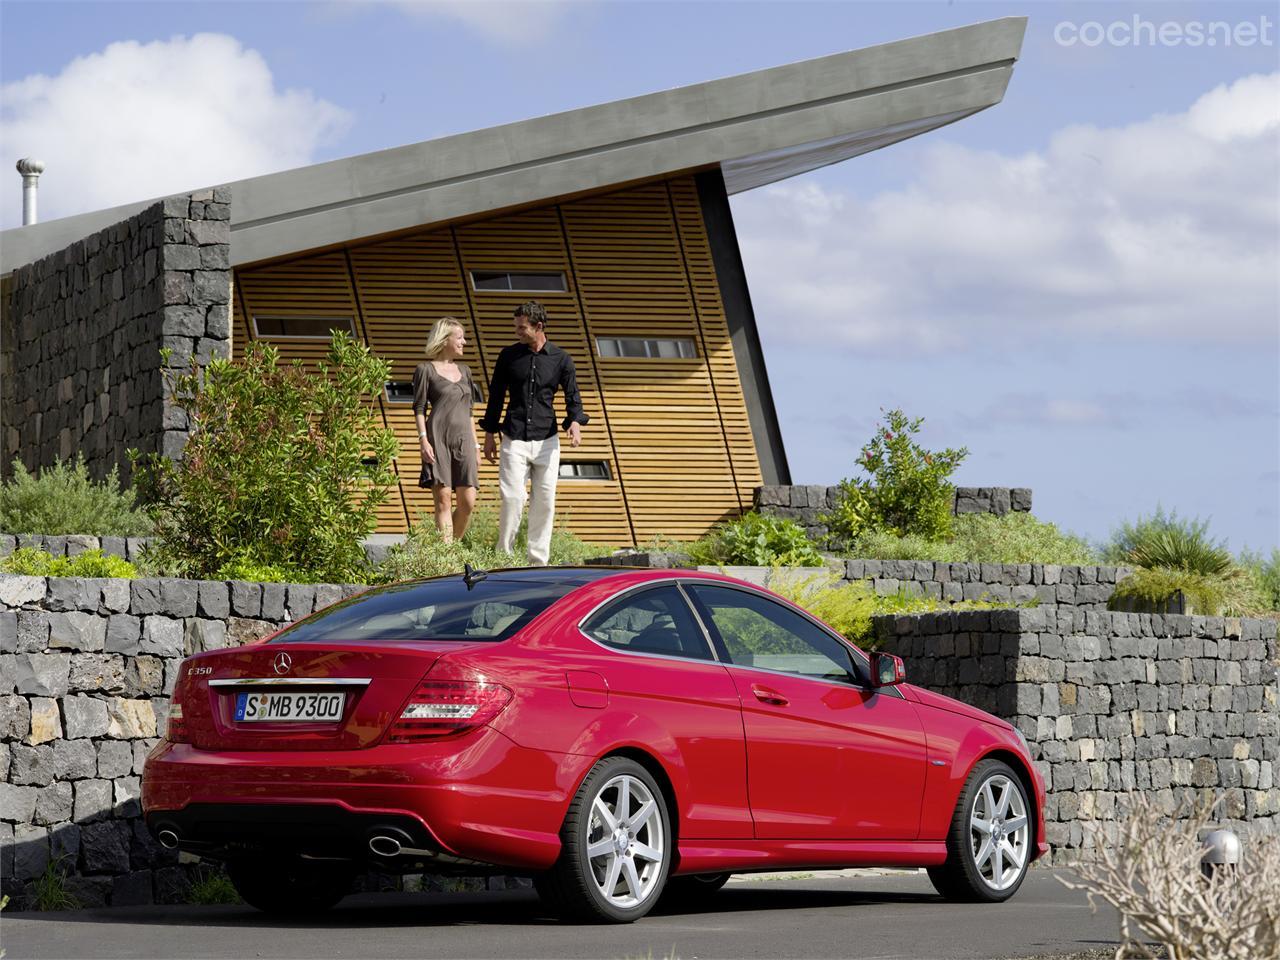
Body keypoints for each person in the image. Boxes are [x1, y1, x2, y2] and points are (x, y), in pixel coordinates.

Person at [480, 301, 588, 565]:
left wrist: (575, 421)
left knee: (545, 501)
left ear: (539, 327)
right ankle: (503, 558)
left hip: (547, 441)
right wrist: (490, 433)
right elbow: (495, 396)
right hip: (513, 437)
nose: (517, 331)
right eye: (516, 326)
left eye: (521, 327)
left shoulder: (562, 359)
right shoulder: (508, 357)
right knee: (514, 497)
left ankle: (538, 562)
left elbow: (573, 395)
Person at [412, 317, 483, 542]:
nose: (464, 342)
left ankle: (449, 547)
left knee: (468, 502)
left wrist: (476, 444)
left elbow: (470, 411)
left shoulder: (466, 371)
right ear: (445, 339)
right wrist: (423, 440)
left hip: (464, 440)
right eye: (460, 337)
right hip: (437, 438)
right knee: (443, 500)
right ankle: (447, 558)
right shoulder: (425, 370)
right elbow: (420, 407)